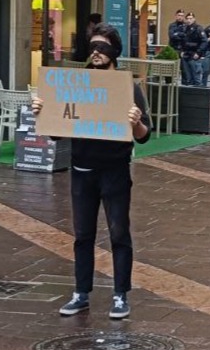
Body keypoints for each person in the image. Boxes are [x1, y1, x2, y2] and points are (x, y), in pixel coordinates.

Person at [31, 23, 151, 319]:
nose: (97, 53)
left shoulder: (128, 87)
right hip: (82, 169)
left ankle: (121, 294)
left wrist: (135, 121)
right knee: (82, 234)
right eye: (93, 47)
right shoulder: (76, 84)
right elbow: (56, 133)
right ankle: (80, 292)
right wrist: (43, 112)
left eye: (104, 48)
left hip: (115, 170)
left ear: (115, 52)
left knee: (118, 232)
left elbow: (144, 135)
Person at [182, 12, 206, 86]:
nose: (189, 20)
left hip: (194, 55)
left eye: (191, 18)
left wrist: (198, 53)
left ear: (194, 19)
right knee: (188, 78)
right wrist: (182, 51)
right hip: (186, 55)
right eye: (187, 18)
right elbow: (183, 41)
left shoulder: (198, 28)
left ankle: (197, 95)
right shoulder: (185, 28)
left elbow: (204, 41)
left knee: (196, 77)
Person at [168, 9, 188, 81]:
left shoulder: (186, 26)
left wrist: (177, 34)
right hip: (173, 49)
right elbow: (172, 36)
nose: (180, 17)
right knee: (171, 69)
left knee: (184, 69)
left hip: (183, 50)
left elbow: (186, 37)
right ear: (176, 16)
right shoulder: (172, 25)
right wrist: (181, 35)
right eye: (179, 15)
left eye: (182, 16)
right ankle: (169, 85)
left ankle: (184, 85)